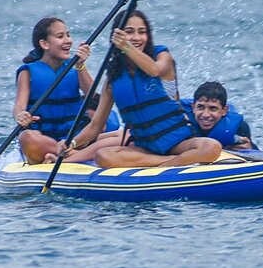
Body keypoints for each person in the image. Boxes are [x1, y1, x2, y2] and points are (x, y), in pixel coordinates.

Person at [57, 9, 221, 168]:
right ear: (117, 36)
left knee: (211, 147)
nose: (137, 37)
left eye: (142, 32)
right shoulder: (113, 79)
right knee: (103, 155)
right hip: (144, 148)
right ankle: (171, 163)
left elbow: (154, 70)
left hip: (178, 142)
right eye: (129, 32)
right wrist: (72, 142)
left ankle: (165, 163)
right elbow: (96, 126)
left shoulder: (162, 56)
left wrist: (127, 47)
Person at [12, 17, 93, 164]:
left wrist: (81, 65)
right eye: (60, 36)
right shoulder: (28, 71)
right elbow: (19, 106)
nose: (68, 40)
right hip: (44, 137)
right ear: (44, 44)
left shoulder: (75, 67)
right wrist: (21, 115)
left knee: (114, 132)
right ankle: (79, 156)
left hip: (74, 137)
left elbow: (93, 96)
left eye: (68, 35)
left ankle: (60, 157)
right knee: (27, 137)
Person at [180, 81, 257, 150]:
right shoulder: (181, 122)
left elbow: (259, 155)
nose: (205, 115)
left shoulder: (239, 128)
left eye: (213, 108)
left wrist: (249, 148)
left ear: (224, 110)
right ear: (193, 107)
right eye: (200, 107)